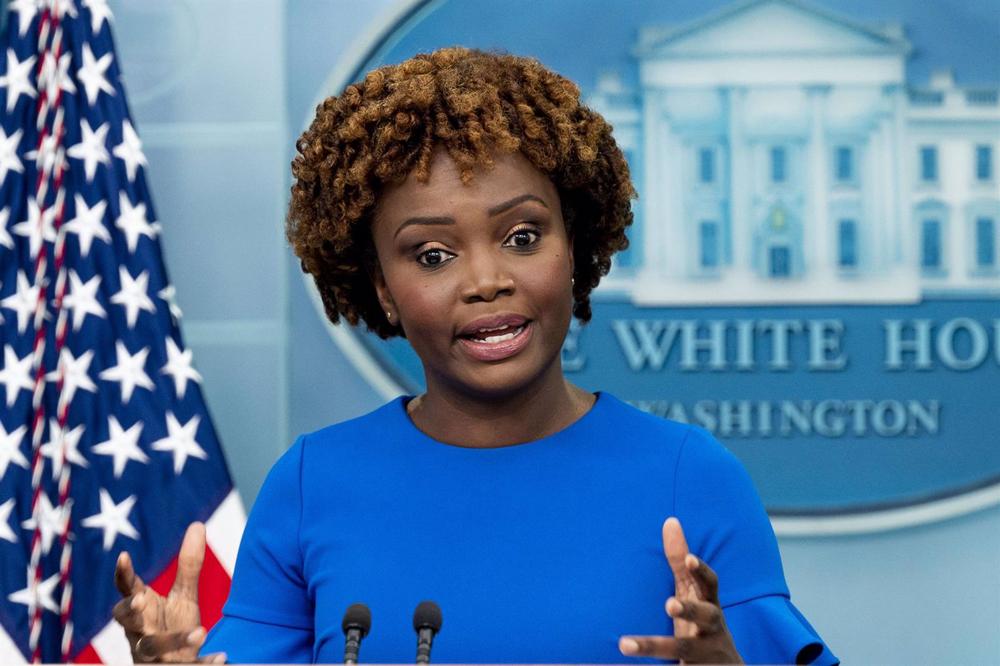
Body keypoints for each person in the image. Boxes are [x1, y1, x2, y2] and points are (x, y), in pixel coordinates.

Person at [112, 47, 837, 664]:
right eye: (432, 254)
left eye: (523, 237)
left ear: (574, 246)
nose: (487, 279)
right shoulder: (312, 483)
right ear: (382, 289)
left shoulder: (691, 477)